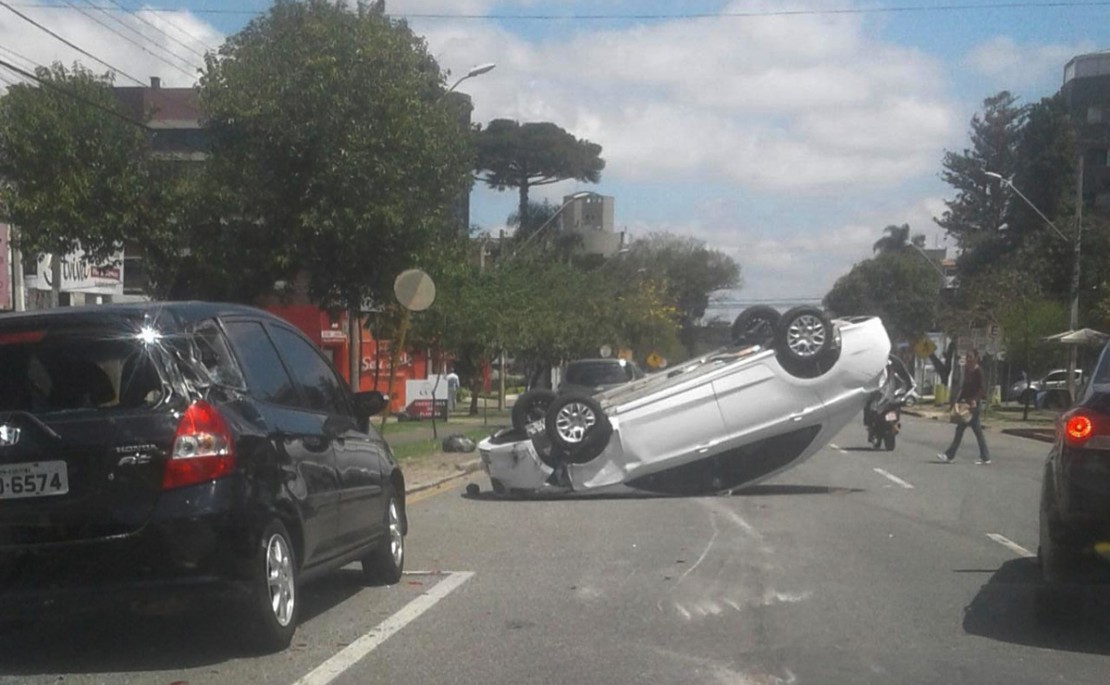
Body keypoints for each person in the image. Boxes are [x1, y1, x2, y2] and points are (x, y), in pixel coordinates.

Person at [938, 349, 991, 464]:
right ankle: (985, 456)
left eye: (970, 357)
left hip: (973, 406)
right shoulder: (968, 371)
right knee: (977, 432)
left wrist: (974, 400)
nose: (968, 359)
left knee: (960, 429)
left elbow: (983, 389)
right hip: (966, 404)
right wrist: (956, 402)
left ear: (976, 358)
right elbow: (964, 389)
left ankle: (949, 455)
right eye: (967, 357)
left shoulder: (978, 371)